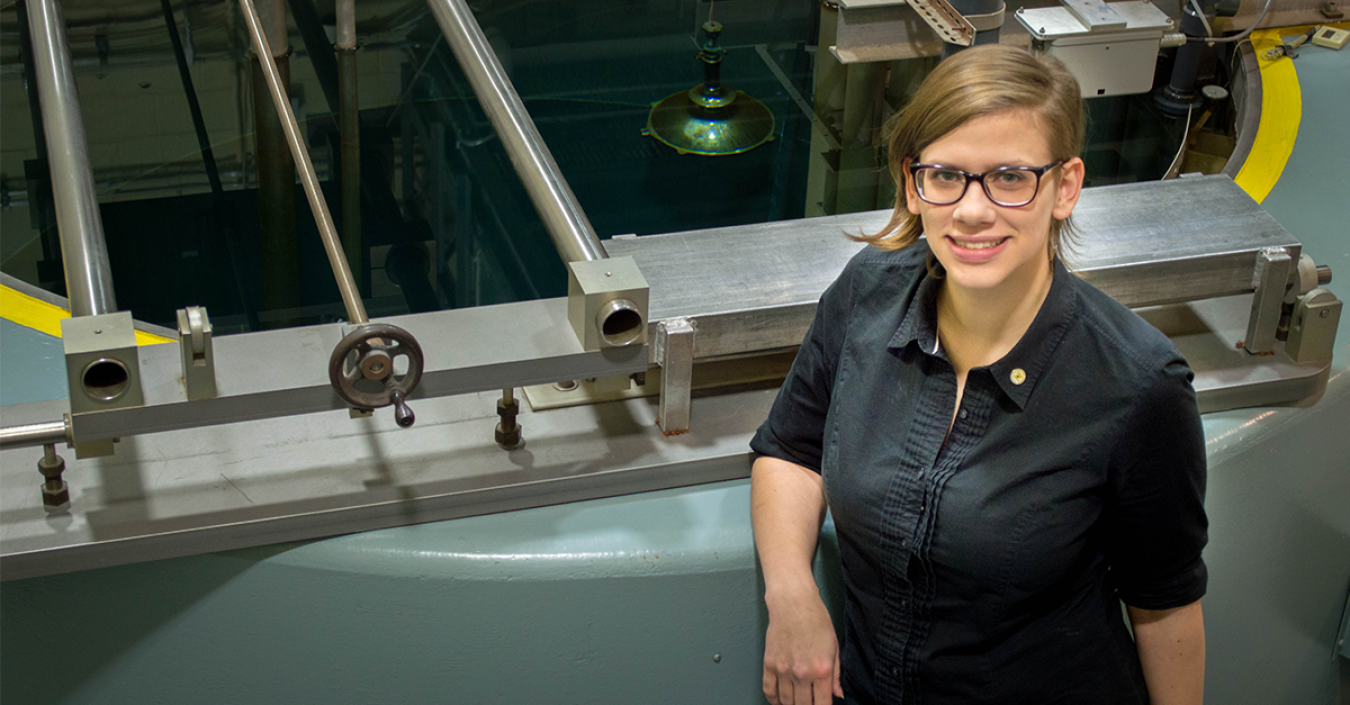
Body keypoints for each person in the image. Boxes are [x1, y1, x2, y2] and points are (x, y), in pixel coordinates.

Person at [749, 45, 1207, 705]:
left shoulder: (1139, 386)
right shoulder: (867, 296)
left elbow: (1164, 604)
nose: (971, 210)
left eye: (1011, 177)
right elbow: (791, 448)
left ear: (1066, 187)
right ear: (913, 183)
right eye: (946, 175)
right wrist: (792, 594)